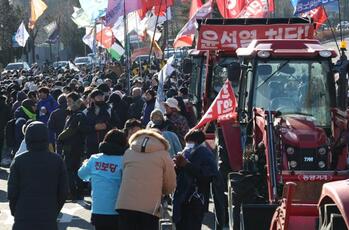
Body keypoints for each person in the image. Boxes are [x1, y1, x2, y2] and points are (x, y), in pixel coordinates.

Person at [7, 121, 69, 230]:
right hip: (48, 216)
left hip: (23, 215)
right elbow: (63, 191)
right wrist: (55, 210)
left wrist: (15, 210)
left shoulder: (19, 160)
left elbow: (12, 191)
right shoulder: (57, 160)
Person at [116, 129, 176, 230]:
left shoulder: (129, 152)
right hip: (150, 208)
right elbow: (169, 185)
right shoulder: (164, 155)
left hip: (125, 204)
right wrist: (164, 192)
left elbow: (122, 174)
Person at [78, 129, 127, 230]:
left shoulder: (94, 159)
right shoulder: (125, 160)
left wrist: (85, 163)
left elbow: (81, 175)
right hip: (119, 209)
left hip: (98, 209)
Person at [173, 129, 218, 230]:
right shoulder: (185, 153)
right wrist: (177, 166)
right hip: (182, 199)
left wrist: (186, 165)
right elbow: (180, 175)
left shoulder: (205, 153)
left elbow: (207, 175)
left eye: (190, 141)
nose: (188, 145)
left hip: (196, 199)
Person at [58, 92, 88, 200]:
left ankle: (74, 192)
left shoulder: (78, 115)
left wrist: (60, 138)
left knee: (70, 170)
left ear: (76, 102)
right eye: (67, 101)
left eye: (70, 101)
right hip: (73, 147)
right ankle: (77, 192)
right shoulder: (73, 114)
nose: (68, 104)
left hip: (74, 147)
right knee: (74, 170)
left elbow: (71, 130)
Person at [84, 90, 111, 156]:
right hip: (91, 143)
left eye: (102, 97)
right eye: (98, 97)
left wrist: (107, 125)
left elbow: (116, 123)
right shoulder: (86, 112)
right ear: (92, 99)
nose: (101, 99)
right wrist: (94, 127)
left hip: (105, 142)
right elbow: (82, 127)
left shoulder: (109, 110)